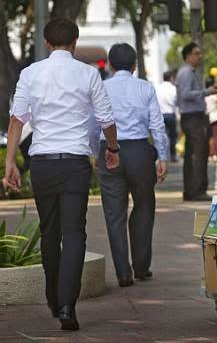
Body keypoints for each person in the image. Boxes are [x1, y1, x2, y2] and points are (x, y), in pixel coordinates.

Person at [3, 17, 120, 331]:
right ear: (75, 42)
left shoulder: (30, 73)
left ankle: (53, 296)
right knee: (74, 232)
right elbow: (107, 119)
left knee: (50, 232)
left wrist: (10, 162)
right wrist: (113, 149)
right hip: (75, 164)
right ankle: (68, 303)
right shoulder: (88, 74)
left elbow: (17, 120)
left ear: (46, 42)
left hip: (42, 163)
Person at [98, 43, 169, 288]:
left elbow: (91, 122)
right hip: (140, 151)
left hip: (108, 149)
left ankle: (122, 271)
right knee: (144, 205)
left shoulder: (101, 87)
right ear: (135, 65)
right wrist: (163, 156)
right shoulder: (145, 88)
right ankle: (141, 266)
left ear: (109, 65)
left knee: (113, 212)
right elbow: (157, 126)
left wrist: (90, 150)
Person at [175, 42, 216, 201]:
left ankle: (192, 189)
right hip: (192, 117)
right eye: (196, 53)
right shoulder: (186, 73)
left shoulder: (189, 72)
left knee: (194, 153)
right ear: (188, 56)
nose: (200, 56)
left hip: (193, 116)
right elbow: (185, 94)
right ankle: (196, 190)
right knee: (198, 153)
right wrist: (207, 92)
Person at [156, 70, 178, 162]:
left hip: (160, 115)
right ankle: (173, 155)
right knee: (173, 136)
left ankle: (162, 156)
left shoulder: (157, 88)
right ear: (171, 78)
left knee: (161, 136)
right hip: (171, 114)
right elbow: (177, 102)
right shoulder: (173, 88)